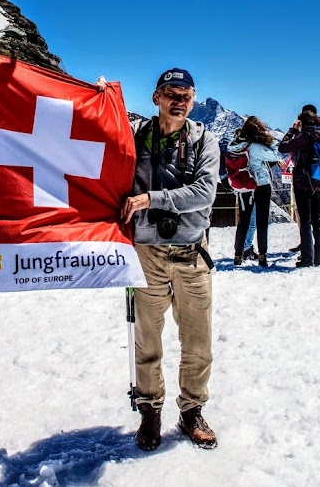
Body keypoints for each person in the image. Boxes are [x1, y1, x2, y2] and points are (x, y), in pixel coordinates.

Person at [119, 67, 220, 451]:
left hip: (192, 252)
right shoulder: (136, 136)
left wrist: (152, 199)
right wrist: (96, 96)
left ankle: (191, 410)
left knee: (198, 341)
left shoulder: (206, 140)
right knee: (148, 340)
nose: (179, 100)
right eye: (171, 93)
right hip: (147, 253)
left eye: (186, 94)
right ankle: (150, 411)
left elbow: (204, 193)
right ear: (156, 98)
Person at [278, 108, 320, 267]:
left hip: (303, 183)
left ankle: (307, 258)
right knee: (318, 221)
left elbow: (283, 147)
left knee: (305, 222)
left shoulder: (305, 136)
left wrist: (292, 130)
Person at [228, 117, 281, 267]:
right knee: (262, 222)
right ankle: (262, 256)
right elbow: (276, 155)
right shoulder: (256, 147)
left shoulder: (234, 145)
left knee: (243, 221)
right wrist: (271, 142)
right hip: (261, 185)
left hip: (244, 186)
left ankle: (238, 256)